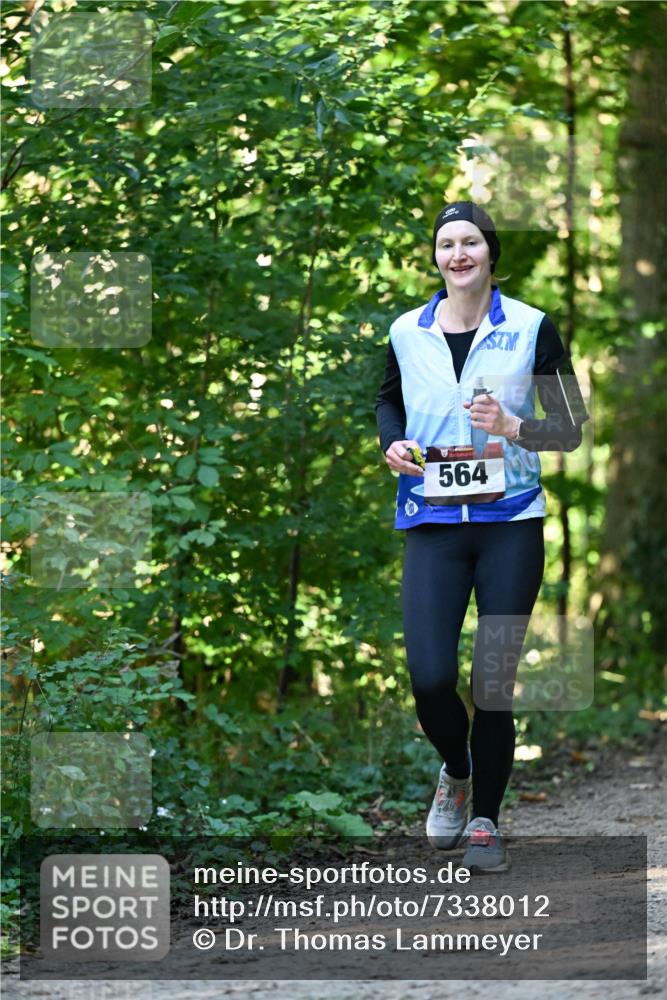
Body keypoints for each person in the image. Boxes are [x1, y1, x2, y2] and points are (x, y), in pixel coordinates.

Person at [375, 200, 588, 874]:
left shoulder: (529, 327)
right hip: (433, 524)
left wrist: (513, 428)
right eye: (445, 244)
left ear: (490, 252)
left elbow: (571, 427)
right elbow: (387, 399)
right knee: (430, 678)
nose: (458, 254)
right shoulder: (406, 331)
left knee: (492, 683)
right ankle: (456, 770)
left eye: (469, 242)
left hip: (510, 525)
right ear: (434, 257)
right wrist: (391, 443)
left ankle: (486, 824)